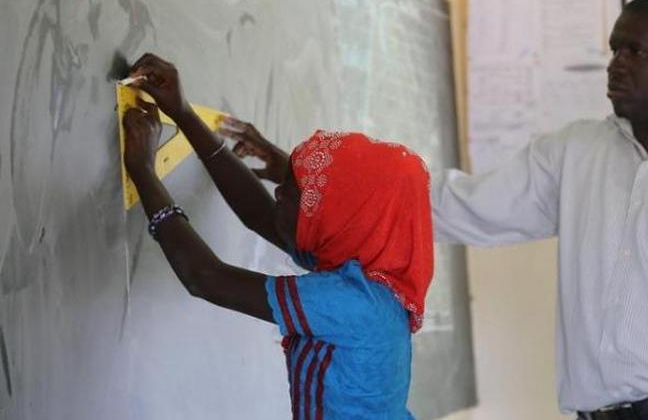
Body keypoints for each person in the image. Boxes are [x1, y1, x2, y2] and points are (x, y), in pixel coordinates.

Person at [229, 0, 648, 420]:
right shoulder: (577, 151)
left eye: (635, 51)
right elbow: (456, 205)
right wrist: (306, 179)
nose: (615, 63)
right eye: (615, 46)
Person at [121, 53, 433, 419]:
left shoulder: (354, 303)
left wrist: (143, 171)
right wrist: (184, 114)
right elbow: (260, 216)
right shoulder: (364, 274)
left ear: (334, 223)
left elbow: (206, 279)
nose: (278, 192)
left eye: (292, 190)